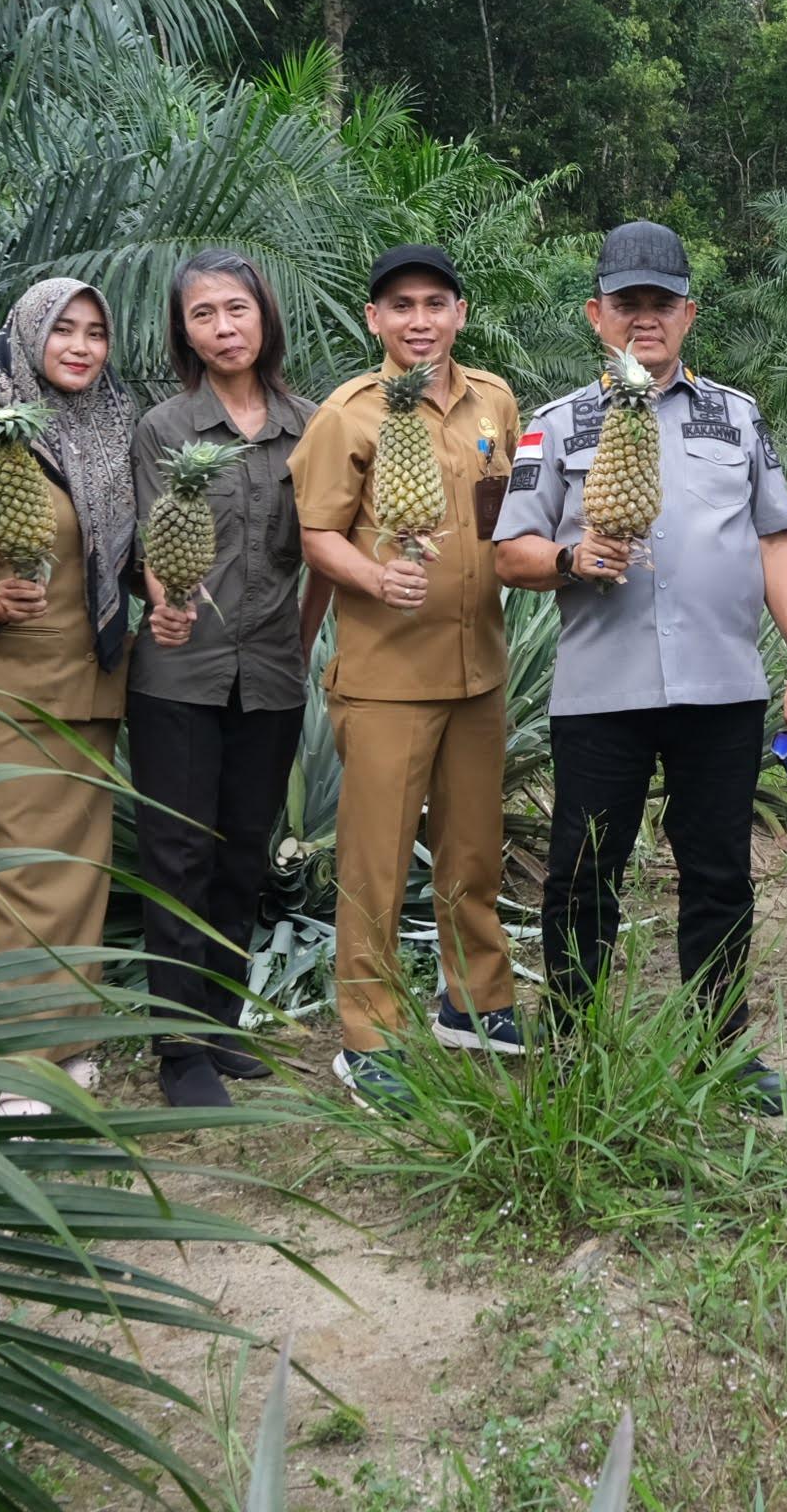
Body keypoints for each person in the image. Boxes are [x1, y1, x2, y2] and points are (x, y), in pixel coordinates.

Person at [493, 221, 787, 1113]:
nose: (646, 319)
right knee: (582, 869)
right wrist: (568, 560)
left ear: (689, 314)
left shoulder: (737, 414)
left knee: (719, 867)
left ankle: (721, 1046)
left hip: (721, 687)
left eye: (663, 303)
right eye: (628, 303)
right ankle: (571, 1041)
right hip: (602, 690)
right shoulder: (557, 424)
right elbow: (511, 552)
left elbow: (775, 540)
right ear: (596, 314)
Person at [295, 244, 528, 1104]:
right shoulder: (347, 415)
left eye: (436, 303)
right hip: (388, 673)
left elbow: (506, 508)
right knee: (377, 862)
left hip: (479, 666)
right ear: (374, 321)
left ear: (459, 313)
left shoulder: (495, 399)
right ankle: (368, 1032)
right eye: (401, 307)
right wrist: (372, 575)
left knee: (472, 848)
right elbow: (316, 535)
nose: (419, 320)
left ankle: (475, 1000)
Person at [128, 251, 318, 1109]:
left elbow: (320, 552)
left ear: (264, 318)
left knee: (244, 849)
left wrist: (305, 645)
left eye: (236, 310)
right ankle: (177, 1050)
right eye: (203, 315)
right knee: (177, 853)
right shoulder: (166, 429)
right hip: (180, 671)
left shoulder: (310, 426)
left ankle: (217, 1020)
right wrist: (165, 602)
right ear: (185, 334)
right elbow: (152, 539)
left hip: (273, 674)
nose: (223, 328)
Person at [0, 278, 137, 1116]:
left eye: (96, 332)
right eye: (64, 330)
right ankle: (20, 1057)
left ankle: (72, 1038)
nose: (82, 347)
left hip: (93, 684)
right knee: (13, 875)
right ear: (27, 337)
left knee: (78, 873)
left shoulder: (115, 433)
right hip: (8, 690)